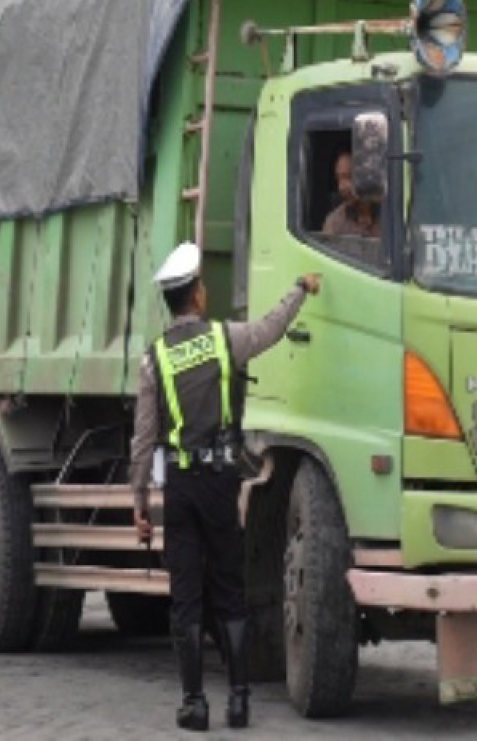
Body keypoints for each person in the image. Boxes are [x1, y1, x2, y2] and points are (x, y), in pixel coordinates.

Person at [129, 241, 320, 732]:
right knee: (229, 590)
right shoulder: (223, 339)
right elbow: (272, 328)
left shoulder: (153, 360)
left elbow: (143, 439)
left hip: (179, 487)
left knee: (186, 597)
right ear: (196, 295)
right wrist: (300, 288)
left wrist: (139, 503)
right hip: (219, 483)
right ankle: (238, 701)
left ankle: (194, 704)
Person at [321, 151, 380, 238]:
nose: (341, 187)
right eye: (338, 179)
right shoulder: (334, 222)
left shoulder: (391, 213)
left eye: (348, 177)